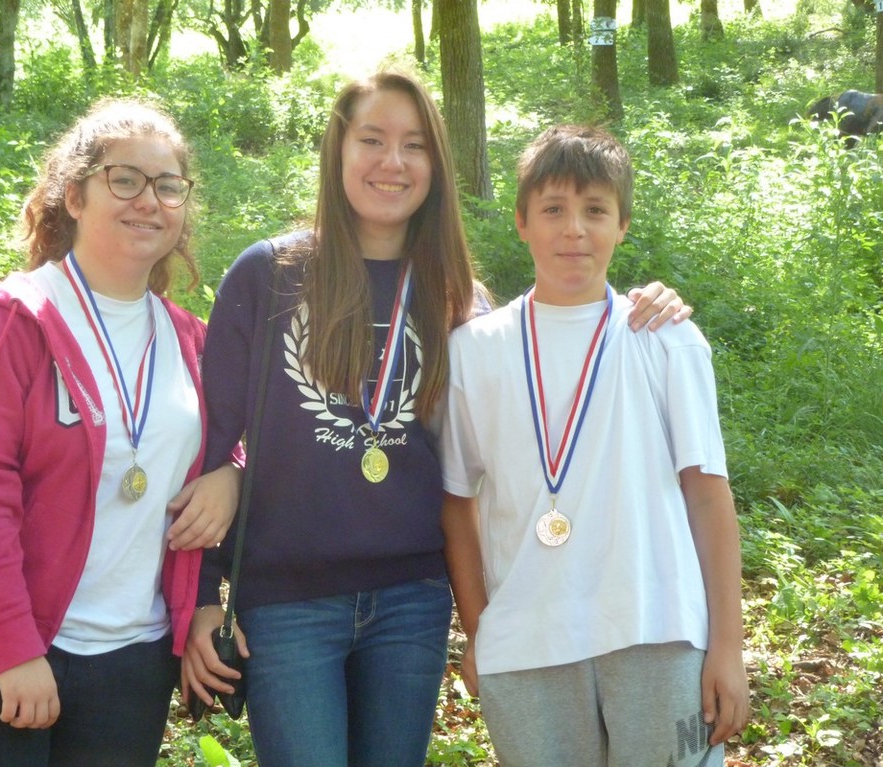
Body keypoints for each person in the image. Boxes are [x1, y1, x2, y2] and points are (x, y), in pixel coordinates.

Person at [178, 70, 693, 767]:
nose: (392, 162)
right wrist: (202, 598)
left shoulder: (458, 299)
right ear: (337, 150)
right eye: (372, 139)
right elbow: (210, 448)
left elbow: (517, 444)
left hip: (411, 601)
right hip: (288, 602)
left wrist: (647, 304)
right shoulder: (269, 275)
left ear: (436, 165)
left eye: (414, 144)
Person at [0, 97, 241, 767]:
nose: (149, 200)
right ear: (75, 196)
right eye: (125, 179)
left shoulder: (191, 340)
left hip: (130, 664)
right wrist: (13, 649)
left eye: (168, 185)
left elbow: (227, 447)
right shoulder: (10, 321)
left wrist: (233, 474)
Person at [439, 124, 749, 766]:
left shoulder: (667, 339)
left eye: (596, 210)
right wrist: (478, 629)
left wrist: (728, 646)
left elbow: (708, 496)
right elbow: (456, 502)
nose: (574, 229)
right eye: (553, 209)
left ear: (622, 225)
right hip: (526, 645)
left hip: (659, 631)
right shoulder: (473, 350)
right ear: (522, 222)